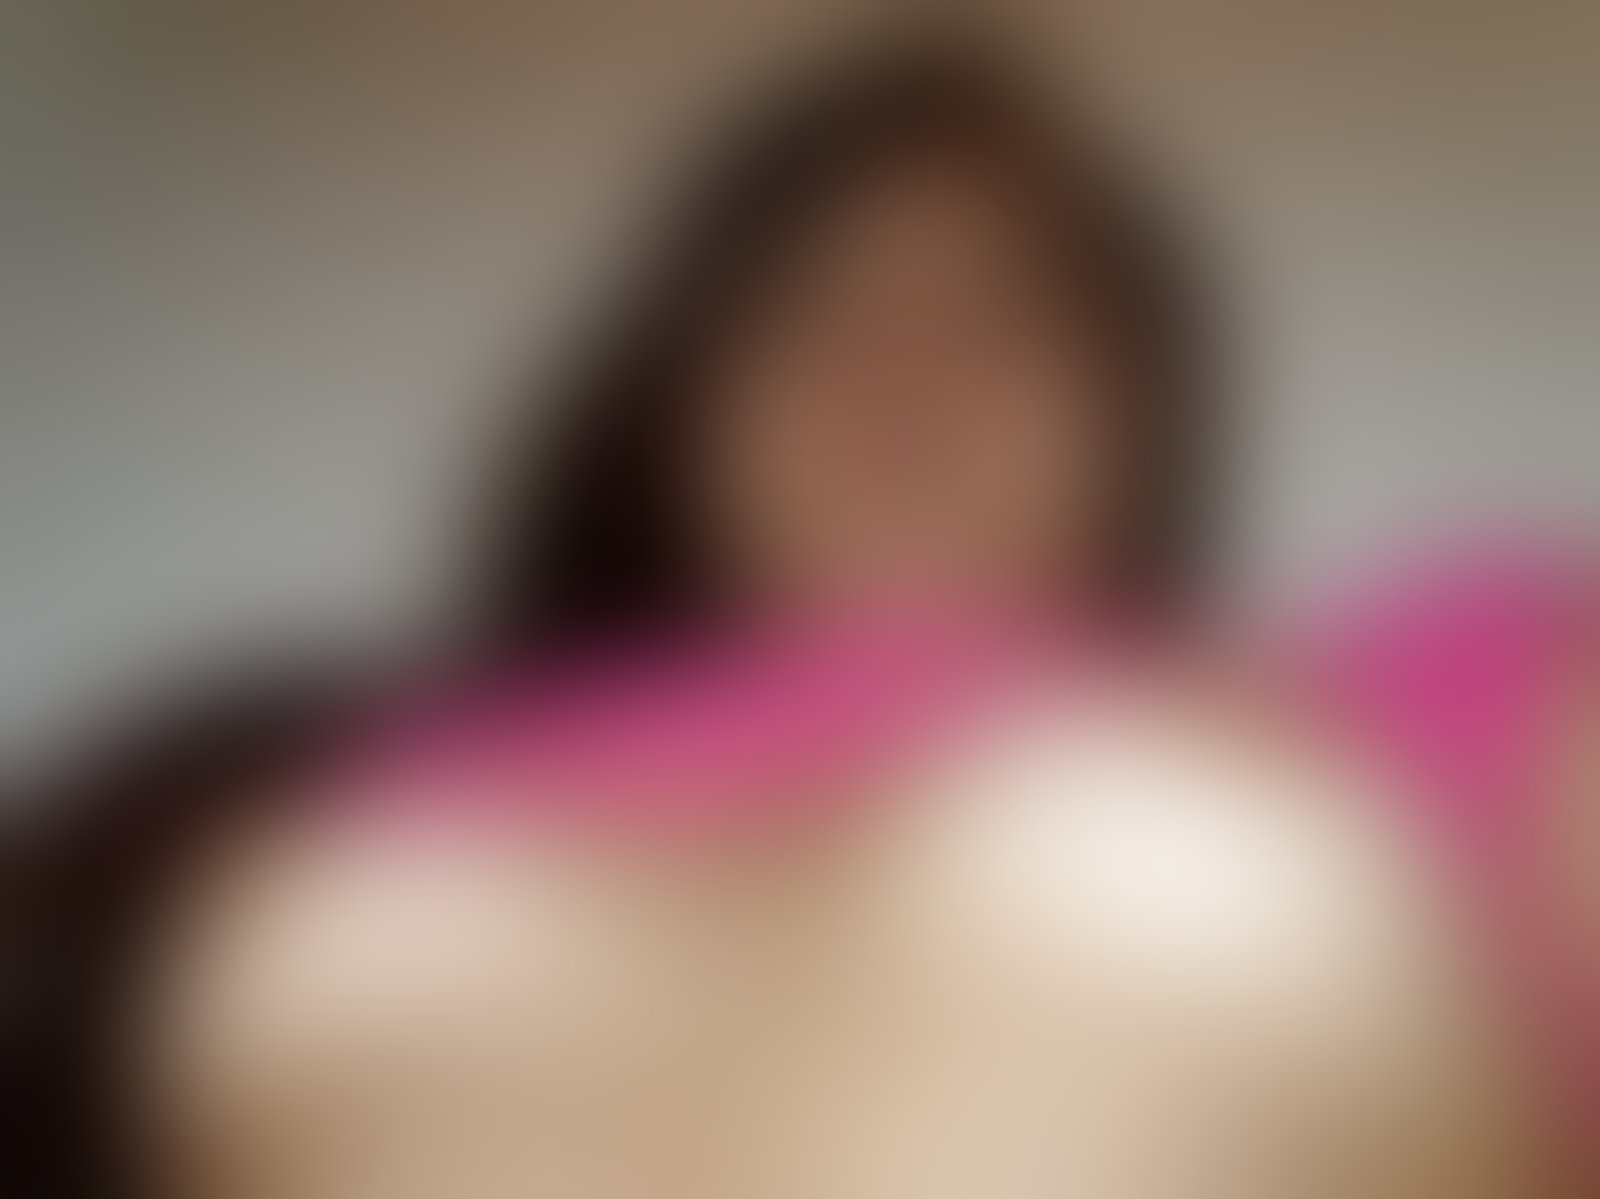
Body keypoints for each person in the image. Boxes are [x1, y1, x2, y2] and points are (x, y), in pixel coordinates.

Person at [14, 42, 1576, 1199]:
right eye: (808, 310)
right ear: (672, 409)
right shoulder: (285, 779)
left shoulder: (1424, 693)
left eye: (1008, 314)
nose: (906, 373)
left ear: (1144, 421)